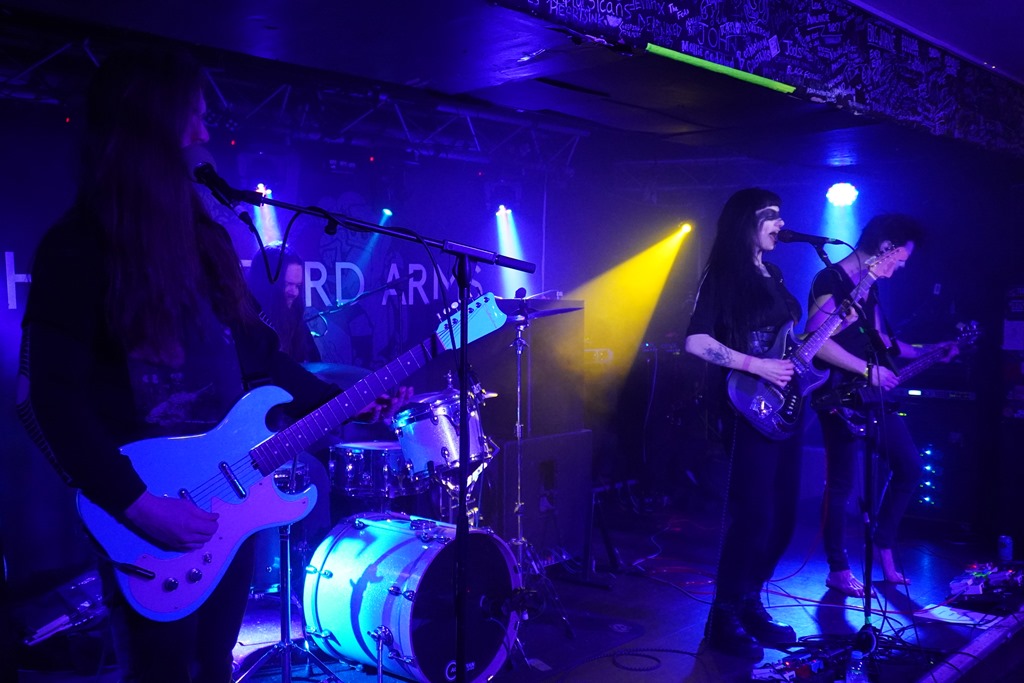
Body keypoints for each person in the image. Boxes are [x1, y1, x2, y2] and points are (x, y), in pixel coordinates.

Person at [15, 47, 409, 682]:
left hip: (227, 492)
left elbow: (260, 356)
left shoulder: (206, 239)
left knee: (213, 664)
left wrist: (349, 401)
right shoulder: (78, 246)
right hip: (149, 500)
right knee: (162, 671)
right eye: (192, 116)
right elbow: (51, 396)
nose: (204, 130)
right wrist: (139, 506)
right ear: (150, 123)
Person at [807, 214, 956, 598]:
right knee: (840, 484)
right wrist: (865, 370)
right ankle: (838, 569)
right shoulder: (831, 280)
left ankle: (883, 544)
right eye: (900, 259)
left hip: (874, 396)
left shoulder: (869, 286)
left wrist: (930, 350)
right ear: (886, 248)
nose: (900, 268)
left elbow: (884, 342)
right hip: (840, 395)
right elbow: (815, 341)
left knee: (909, 467)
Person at [684, 188, 802, 660]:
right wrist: (756, 365)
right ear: (744, 223)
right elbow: (695, 341)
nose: (780, 223)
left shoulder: (774, 274)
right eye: (770, 215)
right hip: (745, 406)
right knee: (754, 515)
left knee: (784, 515)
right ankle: (724, 615)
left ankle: (751, 601)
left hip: (784, 407)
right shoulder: (722, 275)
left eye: (781, 214)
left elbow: (785, 340)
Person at [247, 244, 322, 363]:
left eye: (297, 286)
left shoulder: (295, 319)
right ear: (266, 283)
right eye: (287, 284)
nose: (295, 293)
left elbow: (316, 363)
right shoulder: (247, 321)